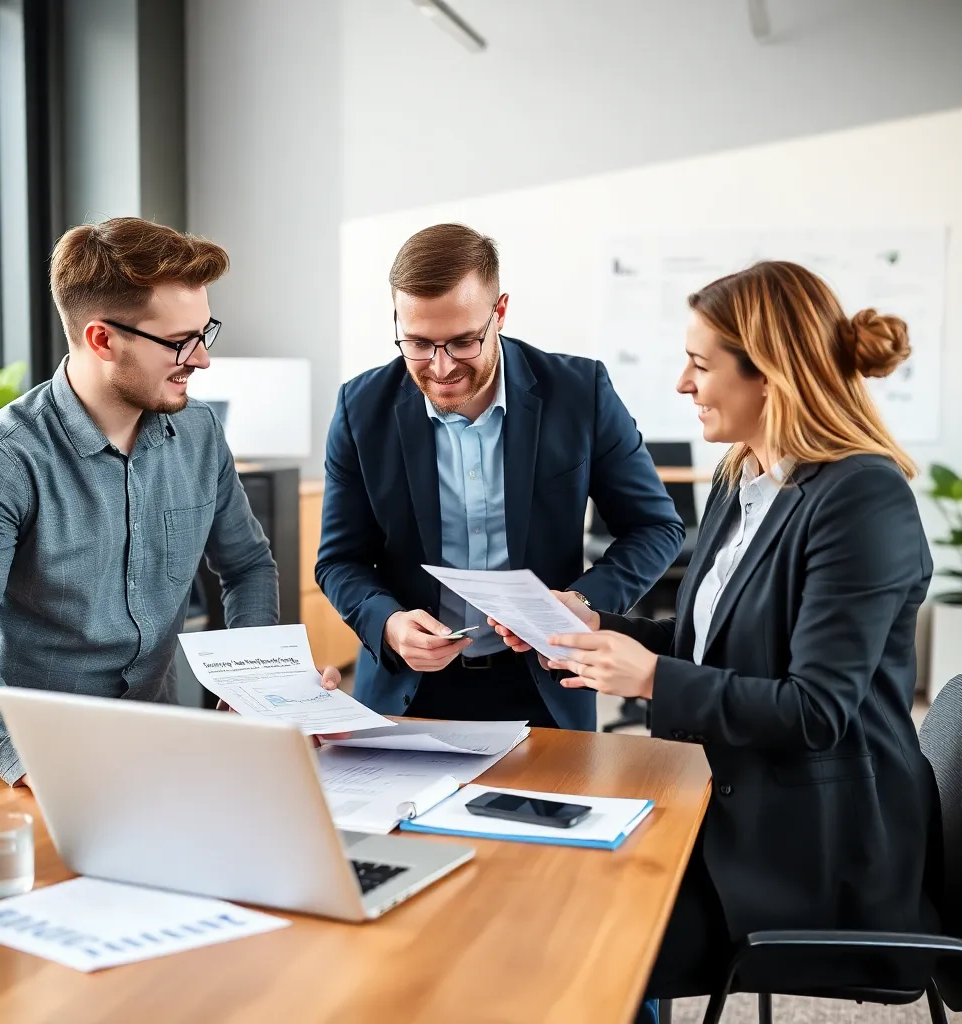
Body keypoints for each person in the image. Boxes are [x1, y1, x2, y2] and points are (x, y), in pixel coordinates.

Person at [492, 260, 939, 1010]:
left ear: (770, 375)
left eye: (700, 365)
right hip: (733, 798)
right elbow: (719, 645)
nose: (681, 384)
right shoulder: (744, 479)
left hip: (811, 849)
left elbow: (814, 710)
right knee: (541, 880)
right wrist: (597, 627)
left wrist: (648, 680)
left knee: (574, 930)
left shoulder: (863, 498)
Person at [0, 217, 340, 787]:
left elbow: (247, 566)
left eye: (205, 333)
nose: (202, 360)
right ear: (102, 339)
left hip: (161, 750)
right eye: (180, 342)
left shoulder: (199, 433)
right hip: (32, 772)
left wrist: (261, 686)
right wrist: (27, 761)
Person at [316, 223, 683, 730]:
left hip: (544, 685)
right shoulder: (361, 408)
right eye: (418, 343)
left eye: (463, 342)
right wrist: (390, 625)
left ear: (500, 312)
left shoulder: (580, 393)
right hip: (408, 693)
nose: (440, 368)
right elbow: (340, 561)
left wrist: (583, 602)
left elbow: (655, 527)